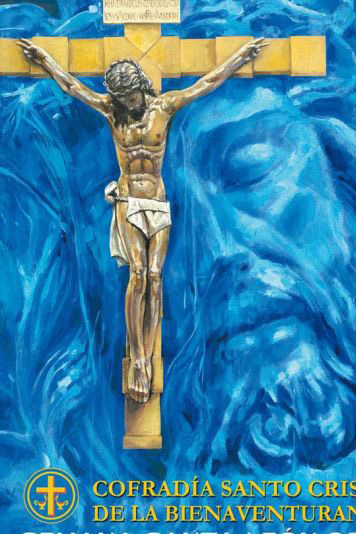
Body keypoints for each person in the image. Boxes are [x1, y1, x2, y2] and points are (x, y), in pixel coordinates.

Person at [18, 36, 269, 403]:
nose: (128, 105)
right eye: (122, 100)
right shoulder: (112, 111)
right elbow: (72, 87)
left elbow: (207, 83)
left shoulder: (163, 108)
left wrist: (240, 57)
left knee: (154, 276)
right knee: (137, 274)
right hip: (128, 202)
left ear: (140, 87)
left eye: (131, 97)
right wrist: (44, 60)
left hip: (157, 203)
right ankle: (138, 360)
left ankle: (149, 354)